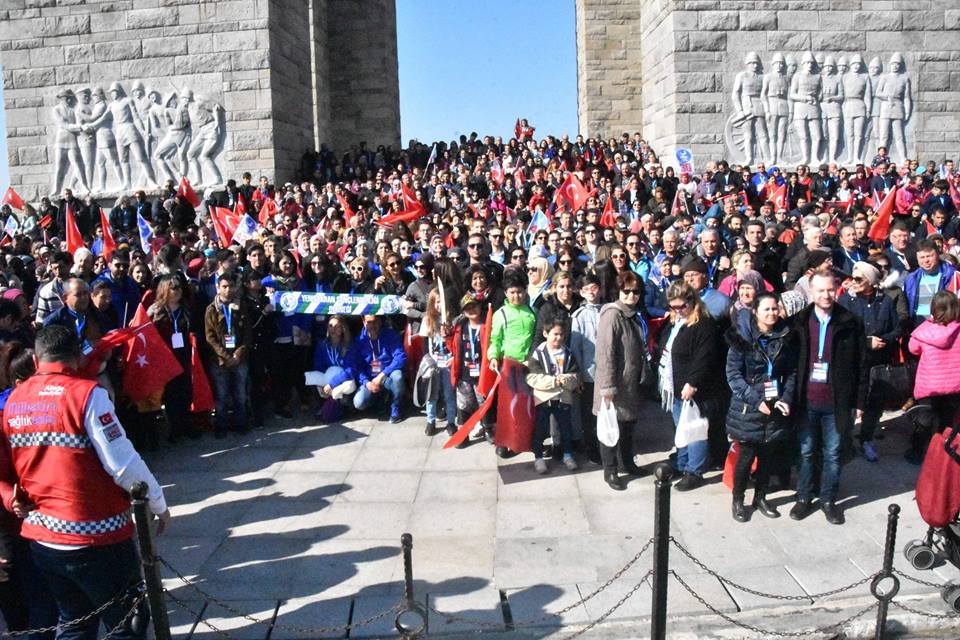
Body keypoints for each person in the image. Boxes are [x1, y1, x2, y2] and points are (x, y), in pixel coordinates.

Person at [0, 325, 169, 640]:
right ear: (78, 356)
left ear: (36, 360)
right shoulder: (87, 395)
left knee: (75, 622)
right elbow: (123, 465)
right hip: (95, 535)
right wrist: (158, 503)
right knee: (127, 622)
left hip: (44, 538)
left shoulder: (14, 401)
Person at [791, 272, 866, 525]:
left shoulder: (850, 322)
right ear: (811, 293)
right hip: (807, 399)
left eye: (830, 290)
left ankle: (827, 500)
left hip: (837, 401)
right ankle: (803, 497)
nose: (825, 295)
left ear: (837, 290)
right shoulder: (799, 321)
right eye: (820, 291)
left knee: (833, 453)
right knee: (806, 451)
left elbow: (861, 366)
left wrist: (859, 402)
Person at [725, 292, 797, 522]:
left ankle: (761, 496)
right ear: (755, 311)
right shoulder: (742, 337)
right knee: (747, 456)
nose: (772, 313)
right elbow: (733, 375)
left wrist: (786, 398)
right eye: (766, 309)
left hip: (775, 402)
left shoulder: (785, 335)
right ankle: (738, 499)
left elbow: (791, 372)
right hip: (749, 406)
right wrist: (756, 401)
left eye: (775, 308)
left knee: (768, 455)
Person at [658, 281, 721, 491]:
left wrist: (693, 383)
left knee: (695, 431)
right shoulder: (678, 321)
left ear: (692, 302)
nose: (677, 311)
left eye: (681, 306)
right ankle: (682, 462)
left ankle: (695, 470)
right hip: (676, 386)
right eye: (673, 307)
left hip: (695, 390)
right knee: (681, 429)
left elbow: (704, 357)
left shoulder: (704, 324)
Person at [593, 270, 653, 490]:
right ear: (618, 291)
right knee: (610, 430)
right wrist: (608, 386)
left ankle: (627, 462)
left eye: (636, 292)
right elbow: (605, 353)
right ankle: (610, 471)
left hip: (630, 383)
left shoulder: (633, 314)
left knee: (627, 427)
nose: (631, 296)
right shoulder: (612, 315)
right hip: (614, 384)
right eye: (626, 291)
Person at [838, 261, 900, 462]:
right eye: (853, 277)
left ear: (871, 280)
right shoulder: (846, 301)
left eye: (858, 279)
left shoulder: (886, 301)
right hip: (853, 361)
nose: (853, 282)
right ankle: (844, 441)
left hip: (877, 362)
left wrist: (885, 340)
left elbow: (896, 328)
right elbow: (840, 331)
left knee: (874, 403)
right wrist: (866, 342)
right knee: (849, 402)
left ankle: (866, 439)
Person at [487, 268, 537, 457]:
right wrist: (493, 357)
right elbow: (495, 340)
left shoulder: (531, 312)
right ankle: (503, 442)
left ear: (525, 291)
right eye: (512, 292)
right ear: (506, 293)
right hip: (509, 364)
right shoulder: (502, 314)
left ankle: (524, 439)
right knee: (507, 406)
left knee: (526, 404)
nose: (516, 296)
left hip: (528, 364)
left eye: (519, 291)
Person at [906, 291, 960, 463]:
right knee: (947, 420)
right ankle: (943, 453)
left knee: (924, 420)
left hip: (930, 385)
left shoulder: (925, 330)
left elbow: (913, 348)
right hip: (955, 386)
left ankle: (917, 452)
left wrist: (927, 322)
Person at [526, 318, 581, 474]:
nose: (559, 338)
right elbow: (532, 378)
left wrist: (568, 380)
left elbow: (576, 375)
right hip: (543, 399)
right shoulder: (537, 354)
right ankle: (538, 457)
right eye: (555, 334)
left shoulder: (568, 353)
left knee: (566, 428)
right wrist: (554, 381)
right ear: (545, 333)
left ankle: (567, 455)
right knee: (540, 429)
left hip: (563, 398)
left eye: (562, 335)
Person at [148, 275, 198, 442]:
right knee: (170, 394)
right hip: (165, 357)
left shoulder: (186, 308)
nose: (177, 291)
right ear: (164, 290)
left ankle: (187, 425)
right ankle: (174, 428)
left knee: (185, 391)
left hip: (183, 354)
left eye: (179, 287)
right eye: (173, 287)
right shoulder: (155, 310)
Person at [204, 272, 252, 438]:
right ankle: (221, 425)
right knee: (222, 395)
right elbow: (210, 338)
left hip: (240, 358)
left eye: (231, 286)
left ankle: (241, 423)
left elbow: (247, 332)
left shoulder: (241, 306)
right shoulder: (211, 309)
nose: (227, 290)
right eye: (224, 286)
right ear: (218, 288)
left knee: (240, 394)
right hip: (220, 360)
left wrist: (238, 353)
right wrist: (225, 356)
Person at [569, 273, 603, 465]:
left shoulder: (607, 310)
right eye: (586, 288)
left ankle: (605, 445)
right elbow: (575, 349)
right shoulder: (579, 316)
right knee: (589, 415)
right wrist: (579, 375)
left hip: (606, 373)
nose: (591, 291)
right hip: (588, 374)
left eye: (594, 287)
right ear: (581, 292)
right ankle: (592, 449)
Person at [352, 314, 406, 423]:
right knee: (359, 402)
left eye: (375, 321)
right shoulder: (359, 341)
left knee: (398, 376)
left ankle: (395, 406)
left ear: (380, 321)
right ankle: (378, 401)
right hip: (370, 378)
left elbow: (401, 357)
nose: (372, 325)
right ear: (363, 322)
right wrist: (366, 382)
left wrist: (381, 375)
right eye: (369, 322)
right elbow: (357, 366)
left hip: (386, 375)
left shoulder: (390, 335)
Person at [420, 289, 457, 437]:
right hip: (434, 364)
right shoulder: (427, 320)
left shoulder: (452, 319)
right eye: (437, 302)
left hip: (448, 363)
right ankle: (430, 420)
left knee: (449, 394)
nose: (440, 305)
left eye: (442, 301)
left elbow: (455, 342)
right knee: (432, 394)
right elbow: (424, 344)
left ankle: (451, 422)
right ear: (432, 303)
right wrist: (427, 362)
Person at [310, 315, 357, 422]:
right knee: (313, 380)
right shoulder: (322, 345)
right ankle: (326, 406)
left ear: (342, 329)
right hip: (327, 379)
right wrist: (323, 381)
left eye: (337, 326)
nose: (333, 329)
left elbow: (350, 370)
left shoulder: (350, 345)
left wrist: (332, 383)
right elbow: (318, 365)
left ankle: (344, 406)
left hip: (343, 380)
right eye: (330, 326)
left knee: (348, 386)